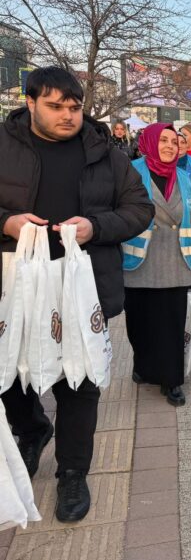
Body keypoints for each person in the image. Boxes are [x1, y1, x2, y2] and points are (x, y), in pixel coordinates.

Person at [0, 67, 154, 522]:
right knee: (10, 374)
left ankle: (72, 472)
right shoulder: (4, 145)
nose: (68, 115)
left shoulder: (105, 152)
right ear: (30, 102)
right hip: (15, 286)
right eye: (55, 106)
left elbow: (139, 209)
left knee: (78, 382)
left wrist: (96, 227)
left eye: (74, 106)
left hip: (83, 285)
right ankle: (32, 429)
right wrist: (7, 223)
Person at [123, 123, 191, 408]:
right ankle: (143, 366)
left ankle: (172, 381)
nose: (170, 146)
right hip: (139, 262)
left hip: (175, 261)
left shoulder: (183, 176)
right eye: (163, 140)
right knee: (139, 324)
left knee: (172, 326)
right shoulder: (131, 171)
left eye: (174, 141)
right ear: (148, 143)